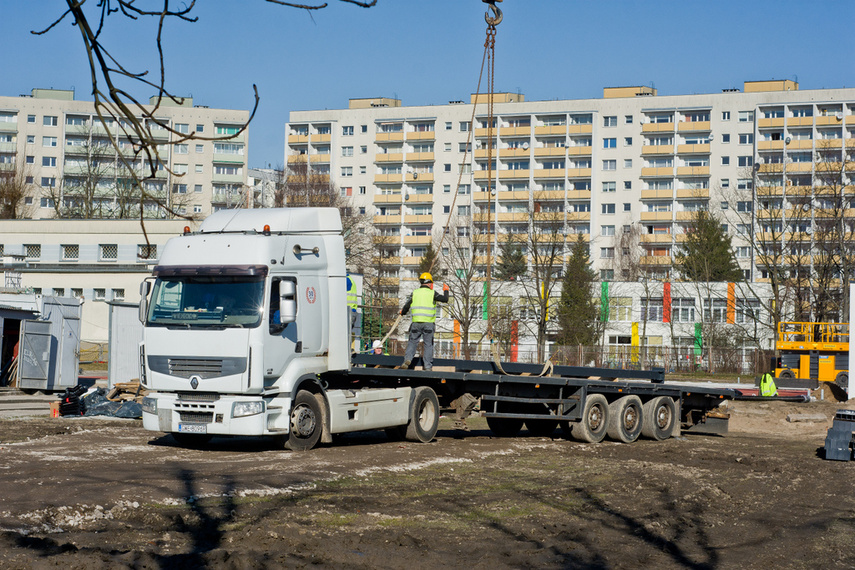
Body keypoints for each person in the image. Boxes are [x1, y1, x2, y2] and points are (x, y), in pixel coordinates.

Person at [400, 272, 449, 371]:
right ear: (430, 283)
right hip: (428, 324)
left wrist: (403, 312)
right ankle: (427, 366)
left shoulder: (415, 293)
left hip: (416, 323)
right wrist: (446, 290)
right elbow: (445, 299)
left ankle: (408, 359)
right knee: (428, 344)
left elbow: (406, 306)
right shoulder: (432, 293)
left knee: (412, 342)